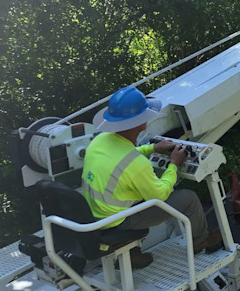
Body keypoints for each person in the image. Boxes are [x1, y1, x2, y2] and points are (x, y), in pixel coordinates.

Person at [83, 86, 221, 268]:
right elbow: (161, 194)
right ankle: (200, 240)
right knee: (189, 198)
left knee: (132, 192)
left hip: (98, 214)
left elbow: (122, 156)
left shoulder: (100, 140)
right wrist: (174, 164)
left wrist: (152, 148)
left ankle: (133, 254)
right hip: (119, 222)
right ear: (140, 122)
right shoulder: (136, 165)